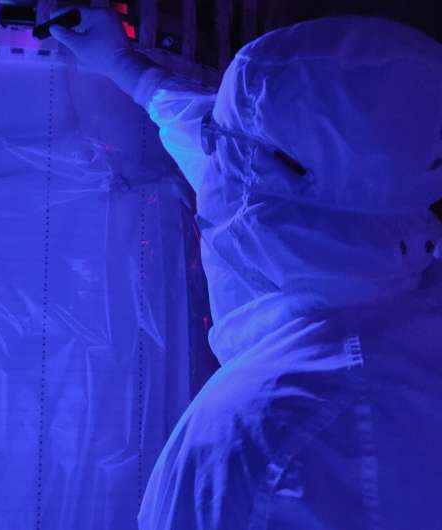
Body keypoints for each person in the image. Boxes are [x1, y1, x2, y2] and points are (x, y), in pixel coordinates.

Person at [50, 8, 442, 529]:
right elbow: (252, 166)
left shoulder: (252, 444)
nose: (212, 156)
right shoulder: (396, 258)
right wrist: (129, 70)